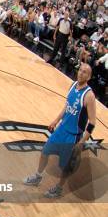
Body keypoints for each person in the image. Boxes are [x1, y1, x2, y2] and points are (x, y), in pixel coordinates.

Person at [24, 64, 97, 198]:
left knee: (65, 166)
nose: (81, 73)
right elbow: (67, 106)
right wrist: (56, 120)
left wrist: (81, 142)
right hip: (61, 129)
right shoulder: (72, 85)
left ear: (89, 77)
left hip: (73, 136)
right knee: (45, 151)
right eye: (80, 70)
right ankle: (38, 176)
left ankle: (59, 188)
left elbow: (92, 123)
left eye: (85, 72)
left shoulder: (89, 96)